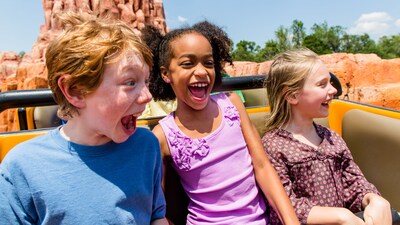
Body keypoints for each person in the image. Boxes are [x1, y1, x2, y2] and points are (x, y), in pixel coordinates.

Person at [0, 12, 168, 225]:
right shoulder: (21, 167)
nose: (147, 96)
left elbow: (156, 216)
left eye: (145, 81)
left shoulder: (146, 146)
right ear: (76, 91)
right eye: (130, 82)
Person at [141, 22, 300, 224]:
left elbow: (262, 166)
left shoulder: (232, 103)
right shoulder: (162, 136)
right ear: (166, 74)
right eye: (188, 64)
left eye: (208, 63)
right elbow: (158, 210)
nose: (201, 72)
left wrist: (291, 221)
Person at [262, 47, 392, 225]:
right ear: (292, 95)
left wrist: (372, 199)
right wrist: (341, 216)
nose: (333, 90)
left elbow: (353, 182)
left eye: (330, 82)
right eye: (322, 84)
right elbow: (284, 205)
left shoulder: (332, 138)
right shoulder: (273, 147)